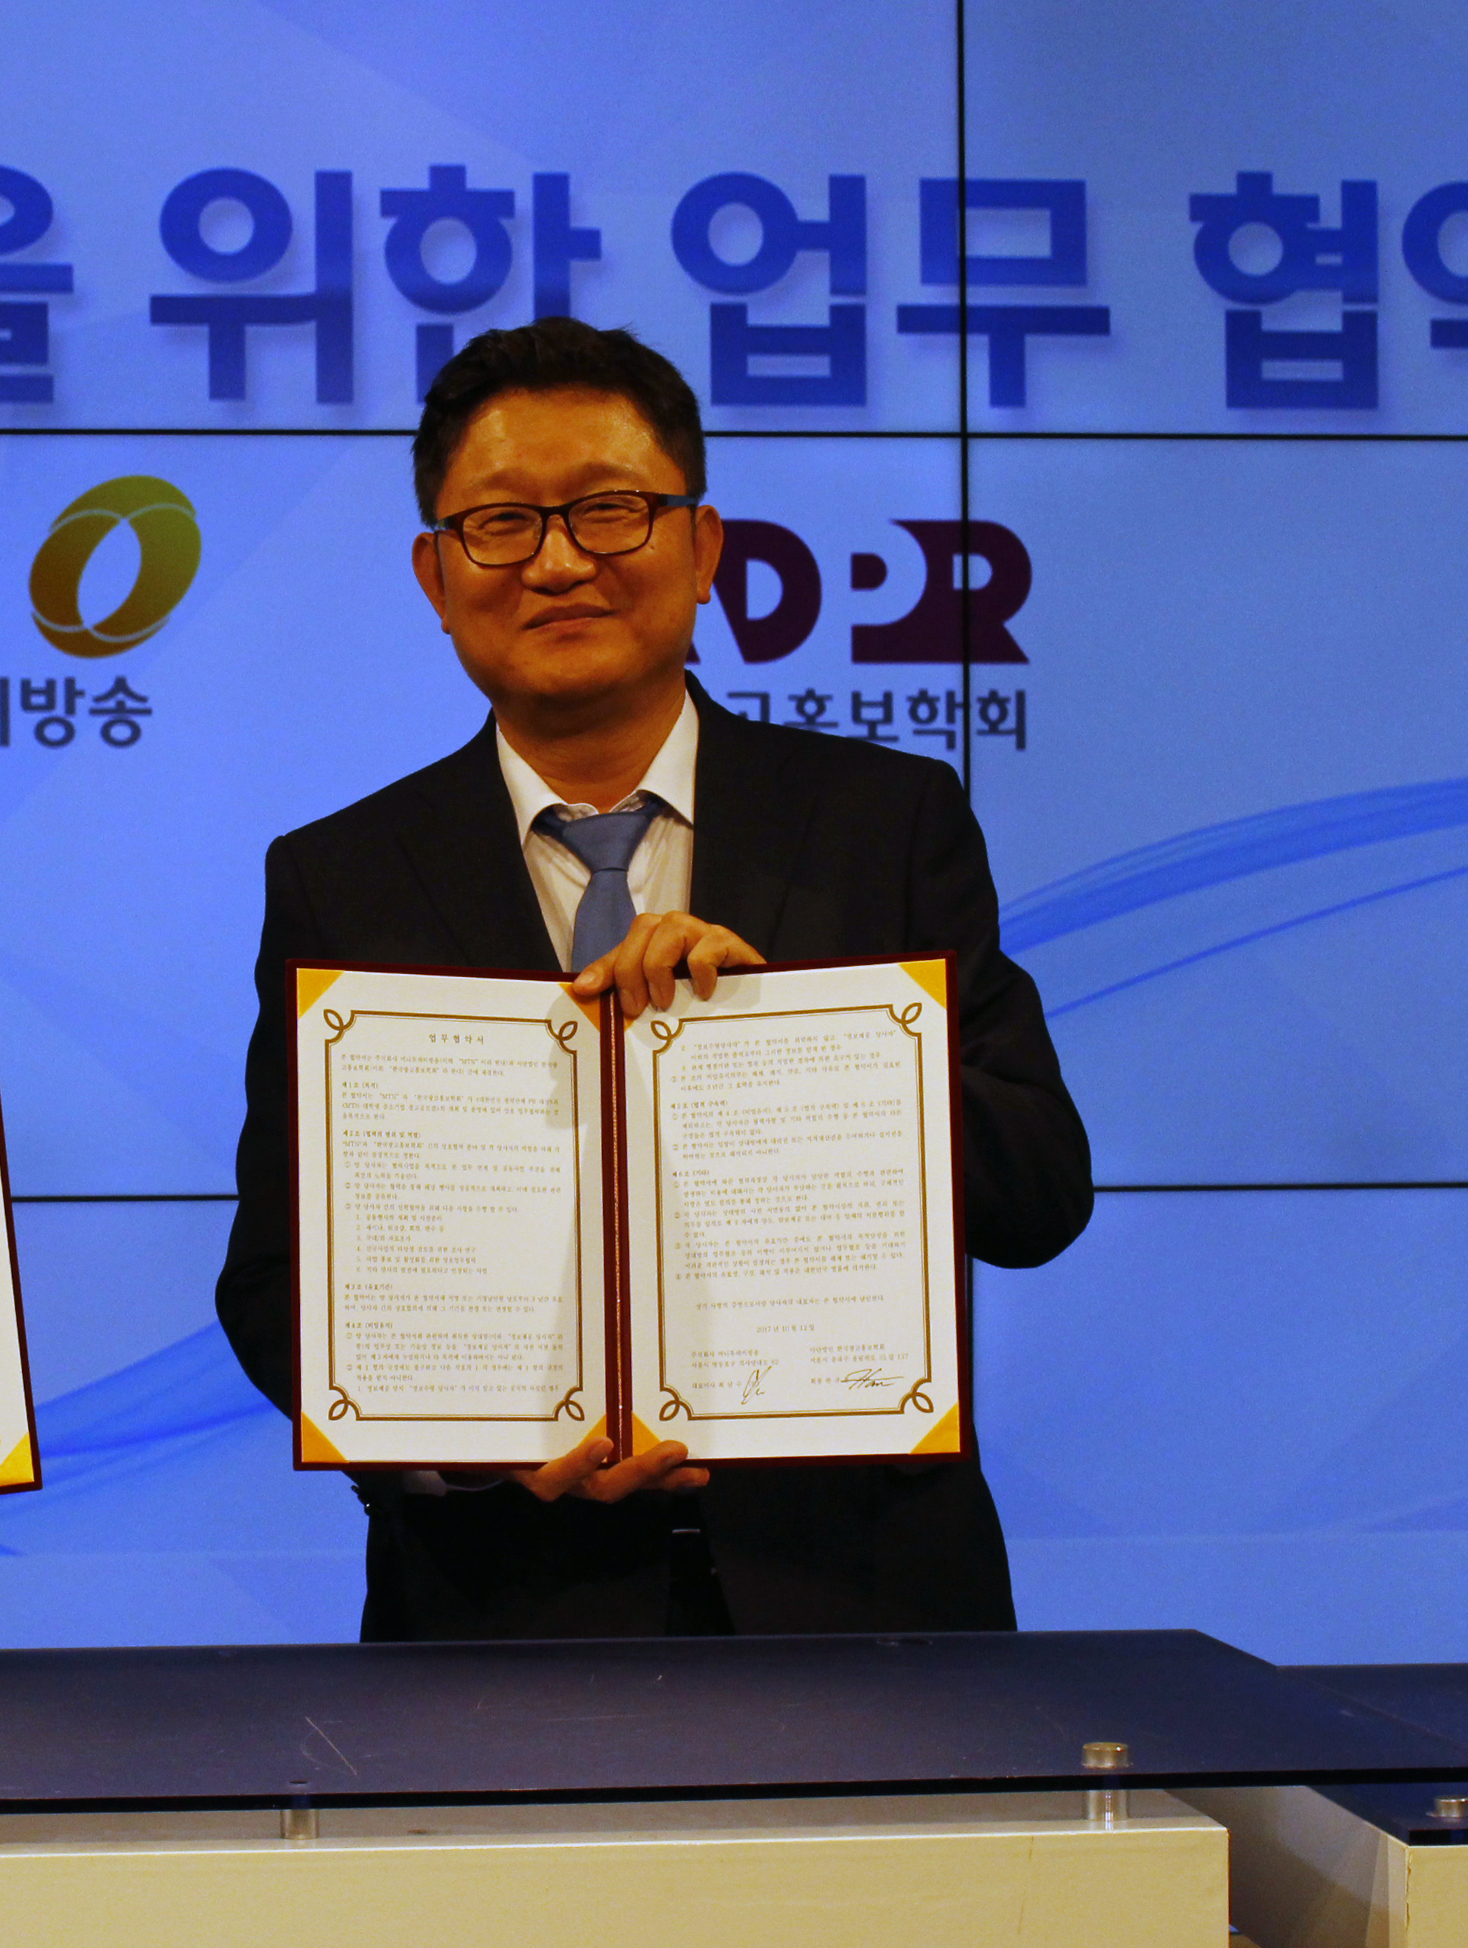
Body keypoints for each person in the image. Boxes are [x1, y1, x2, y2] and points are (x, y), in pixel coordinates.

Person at [213, 319, 1094, 1640]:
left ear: (703, 547)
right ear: (436, 576)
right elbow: (272, 1283)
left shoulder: (883, 821)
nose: (559, 560)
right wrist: (464, 1449)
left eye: (609, 510)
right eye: (500, 524)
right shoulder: (340, 876)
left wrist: (802, 1033)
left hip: (866, 1611)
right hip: (498, 1620)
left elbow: (1039, 1195)